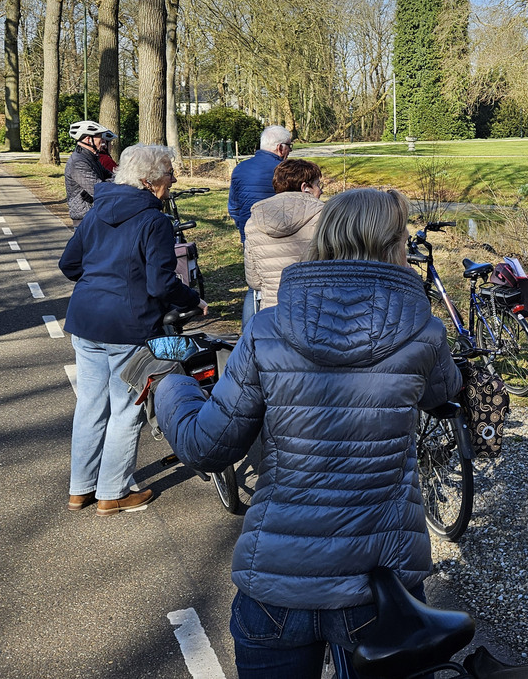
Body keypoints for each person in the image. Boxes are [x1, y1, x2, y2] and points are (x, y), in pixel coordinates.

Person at [154, 187, 461, 675]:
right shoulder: (423, 331)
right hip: (380, 584)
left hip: (279, 581)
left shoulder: (267, 330)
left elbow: (206, 447)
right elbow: (445, 391)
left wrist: (172, 388)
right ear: (393, 246)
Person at [58, 145, 206, 516]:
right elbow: (161, 284)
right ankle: (112, 493)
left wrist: (101, 277)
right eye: (169, 173)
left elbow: (69, 264)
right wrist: (193, 299)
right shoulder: (154, 221)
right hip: (127, 326)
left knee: (90, 406)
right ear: (148, 180)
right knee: (126, 409)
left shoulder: (97, 210)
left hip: (86, 320)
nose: (174, 179)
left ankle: (80, 489)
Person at [243, 158, 324, 312]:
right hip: (315, 308)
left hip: (273, 311)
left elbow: (254, 281)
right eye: (318, 185)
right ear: (305, 187)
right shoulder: (324, 218)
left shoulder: (253, 222)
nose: (321, 191)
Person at [228, 125, 292, 243]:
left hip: (249, 235)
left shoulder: (240, 168)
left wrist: (244, 225)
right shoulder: (287, 171)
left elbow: (233, 208)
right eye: (289, 146)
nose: (290, 151)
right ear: (280, 148)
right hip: (281, 236)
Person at [64, 119, 115, 225]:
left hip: (94, 215)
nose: (103, 141)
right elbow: (99, 189)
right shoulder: (78, 162)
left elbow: (110, 175)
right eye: (100, 137)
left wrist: (125, 178)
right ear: (88, 139)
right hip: (85, 219)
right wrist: (114, 182)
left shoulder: (91, 158)